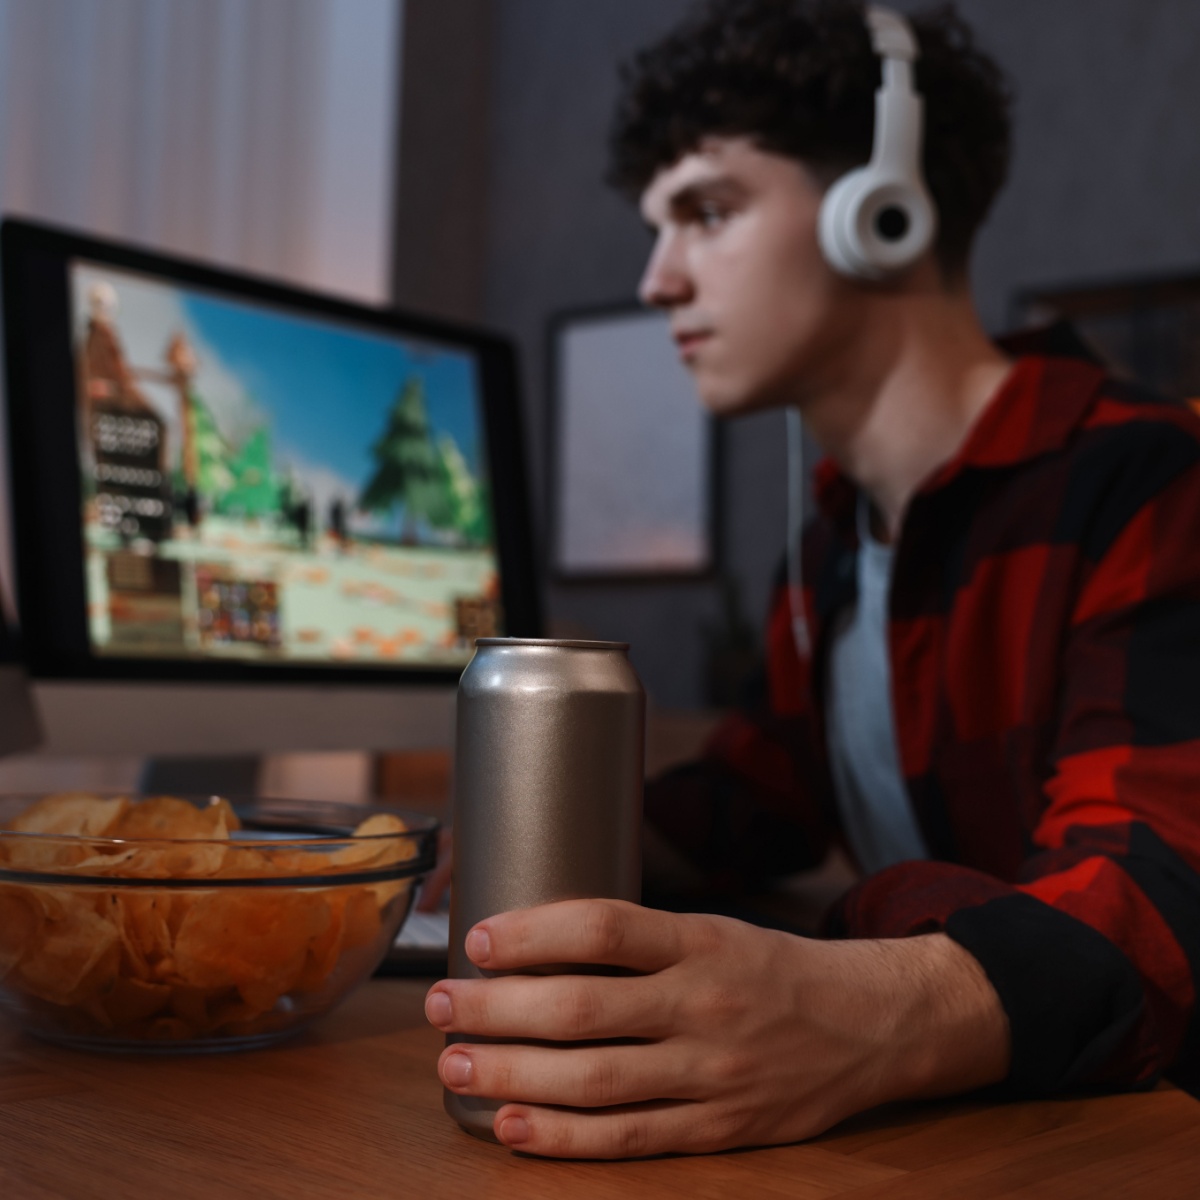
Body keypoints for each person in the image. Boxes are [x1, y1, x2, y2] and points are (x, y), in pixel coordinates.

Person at [423, 0, 1200, 1158]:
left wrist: (873, 1011)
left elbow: (1160, 889)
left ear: (879, 216)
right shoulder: (833, 547)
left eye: (706, 211)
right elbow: (753, 802)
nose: (655, 282)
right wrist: (458, 849)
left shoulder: (1144, 480)